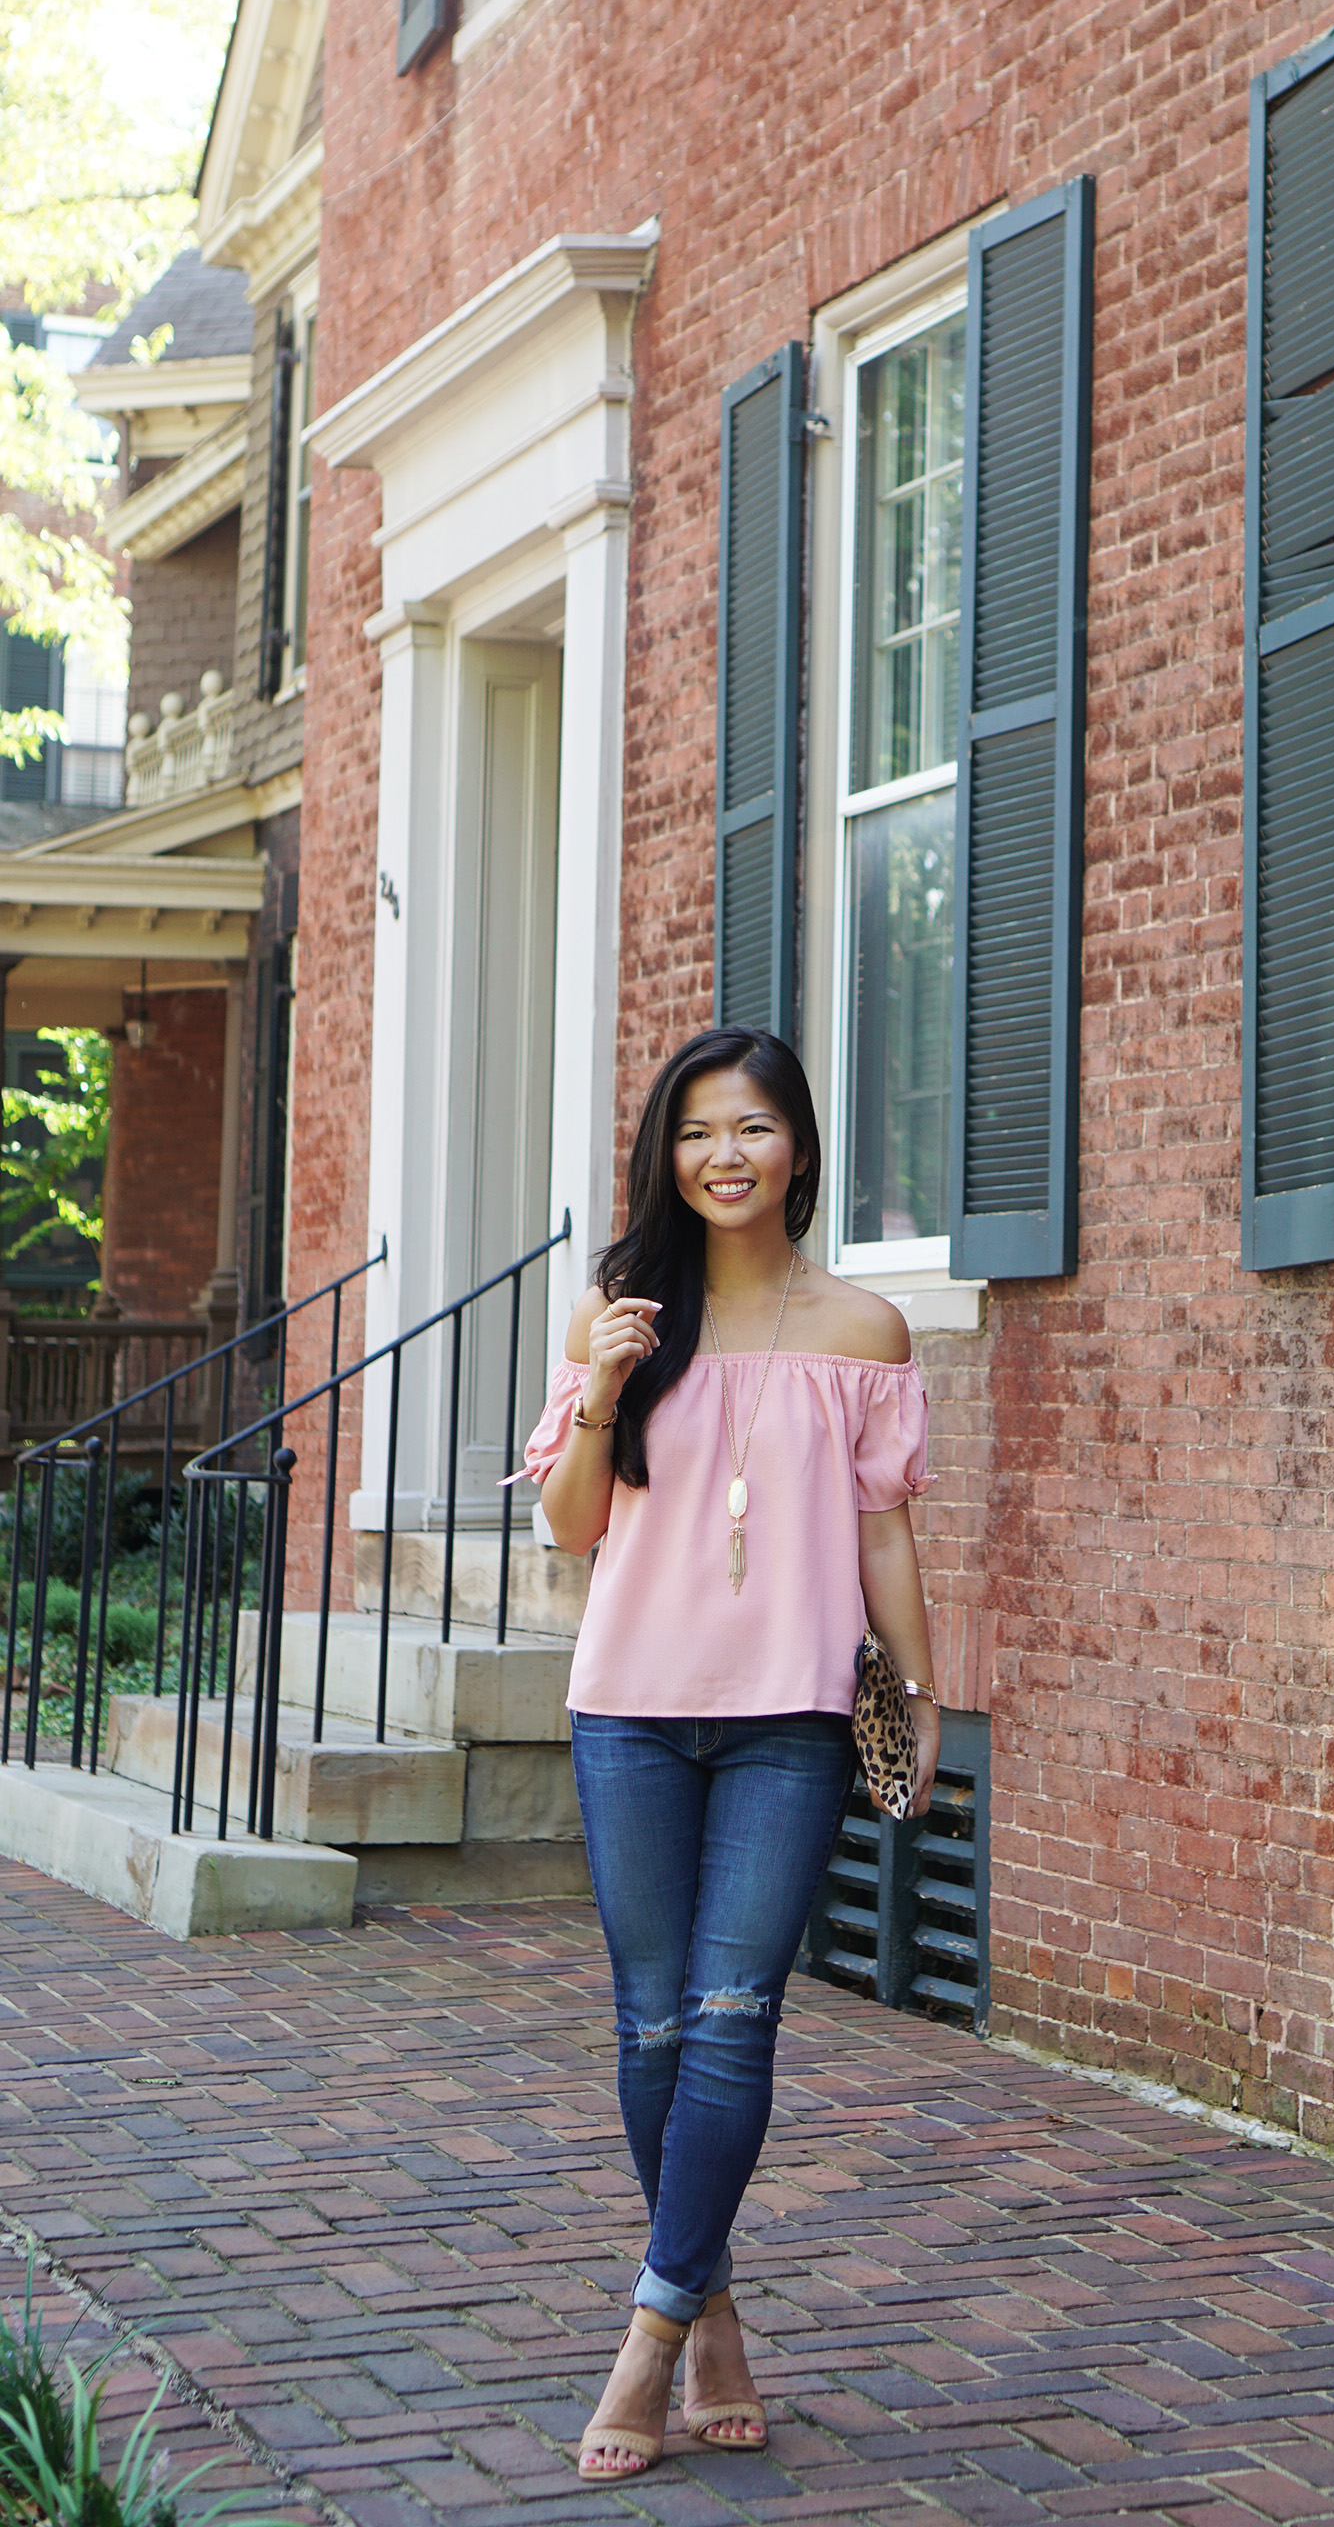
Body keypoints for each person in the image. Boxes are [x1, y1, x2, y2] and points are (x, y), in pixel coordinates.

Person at [525, 1026, 942, 2476]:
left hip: (794, 1721)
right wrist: (601, 1390)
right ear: (666, 1153)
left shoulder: (865, 1333)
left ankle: (646, 2336)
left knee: (732, 2013)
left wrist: (927, 1686)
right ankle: (711, 2313)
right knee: (650, 2025)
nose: (725, 1155)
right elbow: (571, 1526)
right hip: (630, 1709)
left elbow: (885, 1524)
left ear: (801, 1150)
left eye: (753, 1128)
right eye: (698, 1131)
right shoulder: (616, 1312)